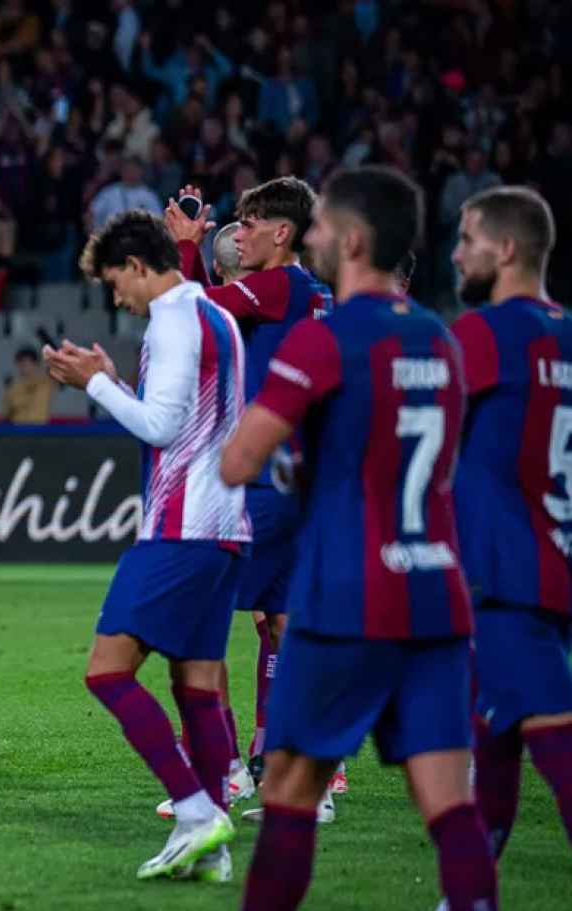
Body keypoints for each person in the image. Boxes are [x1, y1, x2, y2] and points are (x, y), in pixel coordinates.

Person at [220, 166, 497, 911]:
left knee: (289, 793)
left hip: (348, 595)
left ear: (353, 239)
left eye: (319, 227)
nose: (307, 238)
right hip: (437, 597)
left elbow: (241, 461)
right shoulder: (442, 341)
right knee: (449, 809)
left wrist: (296, 461)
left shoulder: (324, 338)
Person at [384, 186, 572, 911]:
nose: (455, 253)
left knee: (558, 754)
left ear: (504, 251)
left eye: (465, 239)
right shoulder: (564, 334)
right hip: (549, 564)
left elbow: (418, 417)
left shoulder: (487, 332)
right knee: (488, 764)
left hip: (502, 580)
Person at [42, 209, 247, 882]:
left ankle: (194, 810)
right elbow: (189, 421)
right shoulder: (217, 316)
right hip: (226, 527)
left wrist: (93, 384)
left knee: (106, 671)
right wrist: (114, 379)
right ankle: (211, 844)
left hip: (181, 527)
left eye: (114, 283)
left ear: (137, 266)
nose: (116, 299)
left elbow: (161, 430)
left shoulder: (174, 320)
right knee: (196, 687)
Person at [164, 177, 338, 812]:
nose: (238, 232)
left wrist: (185, 247)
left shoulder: (274, 285)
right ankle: (306, 783)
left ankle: (225, 771)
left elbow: (191, 312)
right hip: (300, 482)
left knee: (190, 620)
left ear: (282, 233)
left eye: (249, 222)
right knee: (284, 623)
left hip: (260, 483)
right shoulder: (317, 295)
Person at [3, 348, 53, 423]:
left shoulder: (46, 383)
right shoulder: (12, 389)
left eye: (27, 364)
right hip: (17, 432)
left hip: (40, 432)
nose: (24, 368)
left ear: (36, 364)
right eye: (21, 364)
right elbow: (6, 416)